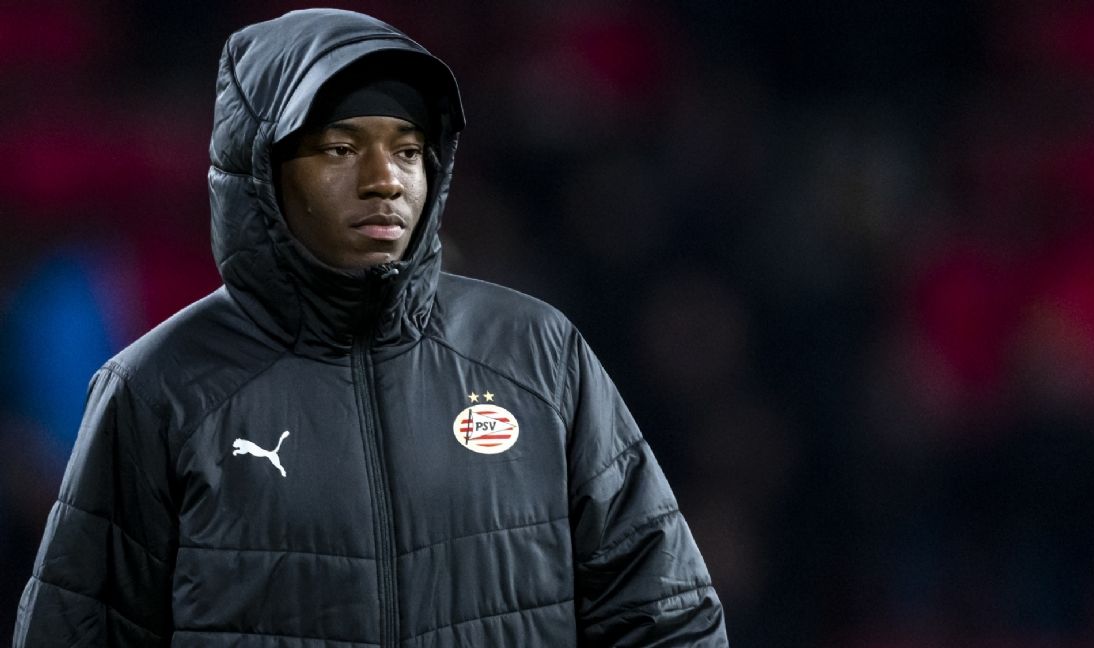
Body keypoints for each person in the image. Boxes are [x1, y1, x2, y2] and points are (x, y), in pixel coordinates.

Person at [14, 8, 727, 646]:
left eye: (408, 150)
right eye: (340, 148)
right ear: (260, 167)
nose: (385, 179)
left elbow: (666, 616)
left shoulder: (538, 353)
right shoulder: (155, 387)